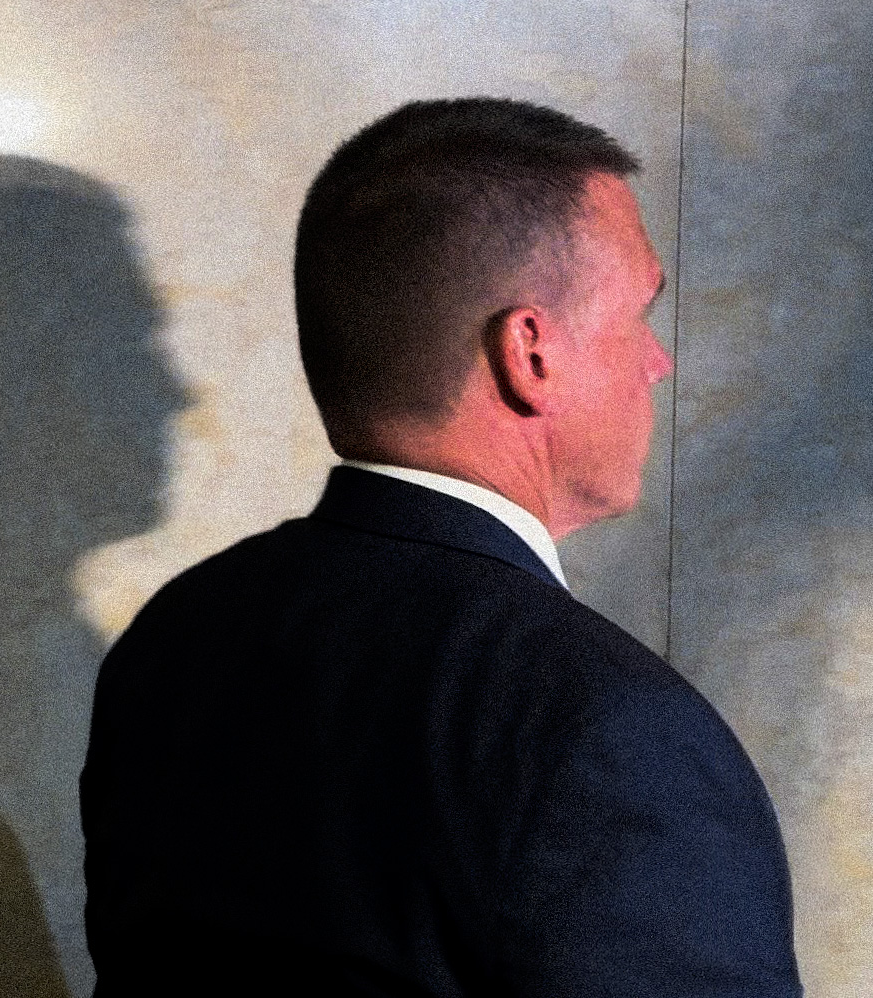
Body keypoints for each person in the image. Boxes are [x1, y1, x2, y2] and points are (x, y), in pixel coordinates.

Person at [80, 97, 802, 996]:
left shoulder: (177, 638)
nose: (659, 362)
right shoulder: (609, 730)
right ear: (530, 354)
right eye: (639, 316)